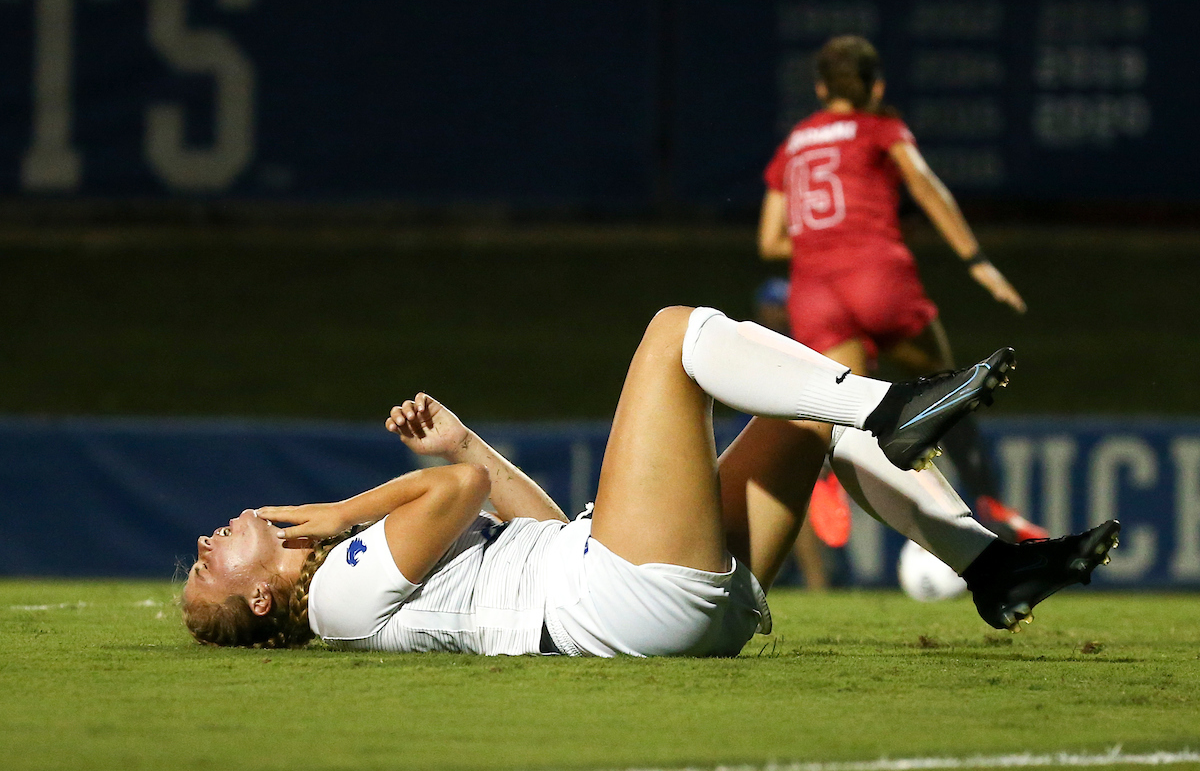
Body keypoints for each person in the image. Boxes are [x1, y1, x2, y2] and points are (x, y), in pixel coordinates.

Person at [181, 307, 1118, 655]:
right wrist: (351, 505)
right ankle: (889, 406)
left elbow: (532, 527)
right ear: (265, 598)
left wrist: (468, 441)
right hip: (620, 597)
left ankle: (990, 566)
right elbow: (452, 497)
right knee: (673, 334)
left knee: (800, 408)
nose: (204, 544)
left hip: (621, 590)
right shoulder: (335, 591)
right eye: (207, 568)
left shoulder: (348, 581)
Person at [758, 35, 1045, 543]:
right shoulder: (880, 126)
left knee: (840, 408)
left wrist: (824, 237)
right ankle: (992, 503)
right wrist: (976, 261)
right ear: (876, 86)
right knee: (950, 391)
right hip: (876, 274)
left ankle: (825, 478)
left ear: (822, 87)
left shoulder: (793, 145)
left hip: (815, 290)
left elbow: (770, 241)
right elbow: (925, 184)